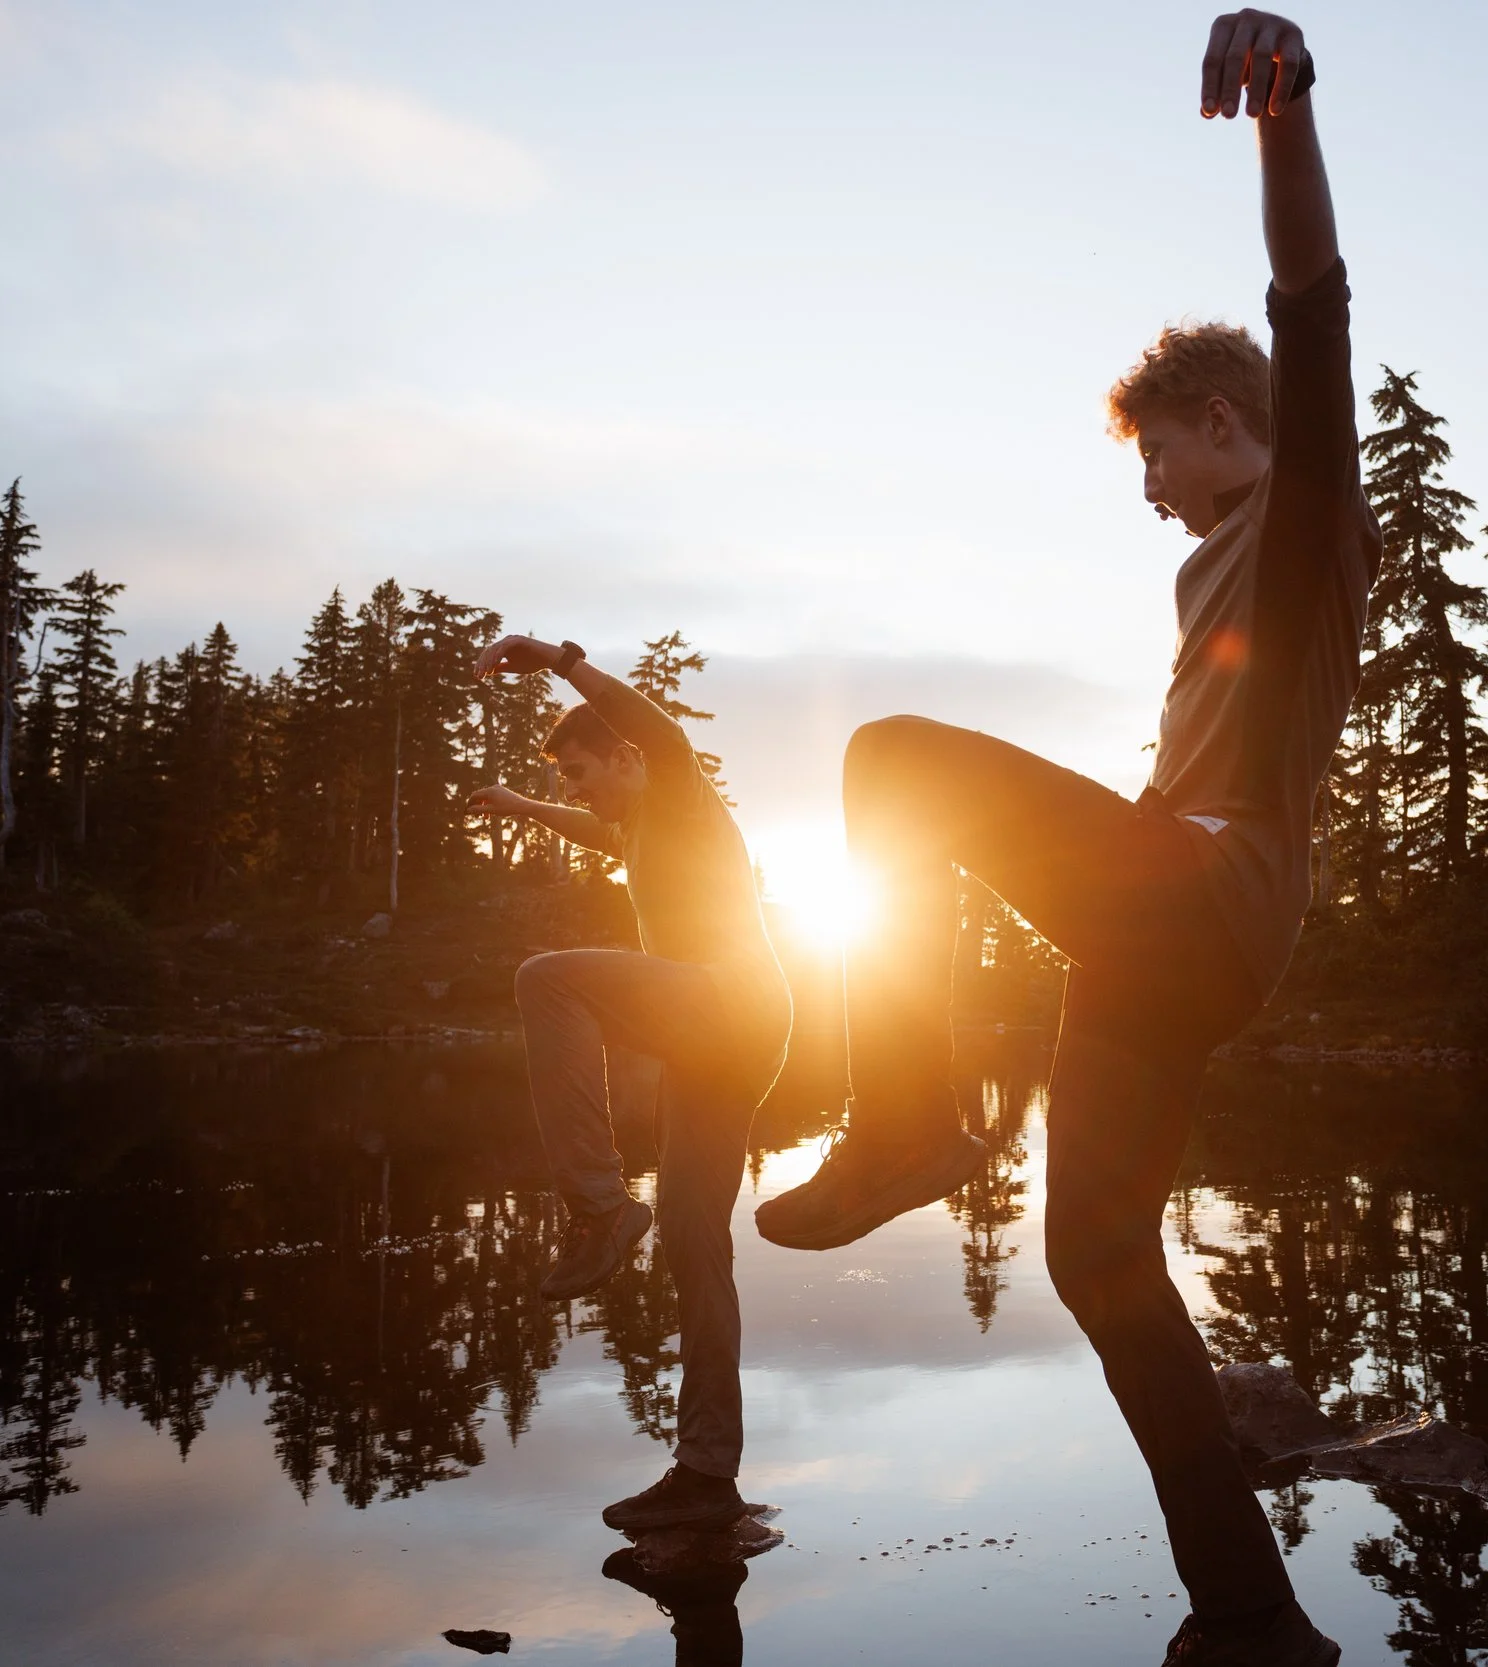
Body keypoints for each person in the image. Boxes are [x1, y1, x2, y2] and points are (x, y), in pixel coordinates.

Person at [754, 12, 1371, 1664]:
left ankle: (900, 1118)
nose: (1148, 480)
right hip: (1162, 936)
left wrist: (1283, 110)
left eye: (1156, 446)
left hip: (1205, 901)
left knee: (889, 759)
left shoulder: (1306, 509)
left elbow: (1310, 300)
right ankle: (1249, 1611)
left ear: (1226, 420)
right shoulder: (1213, 571)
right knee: (1098, 1254)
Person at [469, 632, 791, 1534]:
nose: (580, 790)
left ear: (627, 755)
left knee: (548, 976)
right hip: (720, 1041)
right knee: (696, 1246)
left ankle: (601, 1205)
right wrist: (525, 801)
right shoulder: (642, 824)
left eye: (583, 771)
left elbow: (647, 721)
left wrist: (555, 658)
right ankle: (706, 1472)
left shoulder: (681, 785)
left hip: (733, 1004)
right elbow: (592, 824)